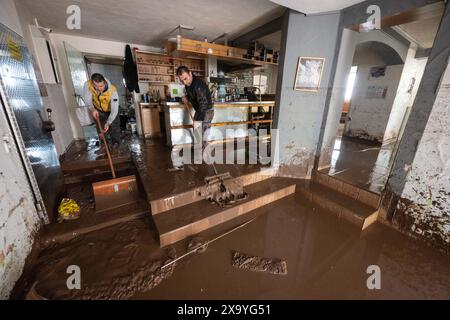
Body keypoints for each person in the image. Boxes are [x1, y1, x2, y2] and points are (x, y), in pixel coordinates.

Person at [176, 66, 214, 167]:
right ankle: (200, 153)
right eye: (181, 80)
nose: (184, 82)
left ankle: (205, 155)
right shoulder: (189, 84)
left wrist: (199, 121)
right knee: (197, 133)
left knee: (203, 133)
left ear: (190, 73)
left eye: (185, 78)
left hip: (206, 111)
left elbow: (203, 105)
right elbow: (192, 95)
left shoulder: (198, 85)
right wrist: (186, 98)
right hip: (200, 110)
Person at [82, 73, 121, 155]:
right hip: (98, 109)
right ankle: (104, 145)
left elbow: (114, 109)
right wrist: (92, 109)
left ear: (104, 82)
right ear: (92, 83)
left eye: (101, 86)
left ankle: (115, 145)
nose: (99, 89)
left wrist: (109, 122)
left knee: (115, 127)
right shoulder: (88, 85)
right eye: (96, 86)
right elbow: (87, 100)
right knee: (100, 128)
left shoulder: (112, 90)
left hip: (111, 110)